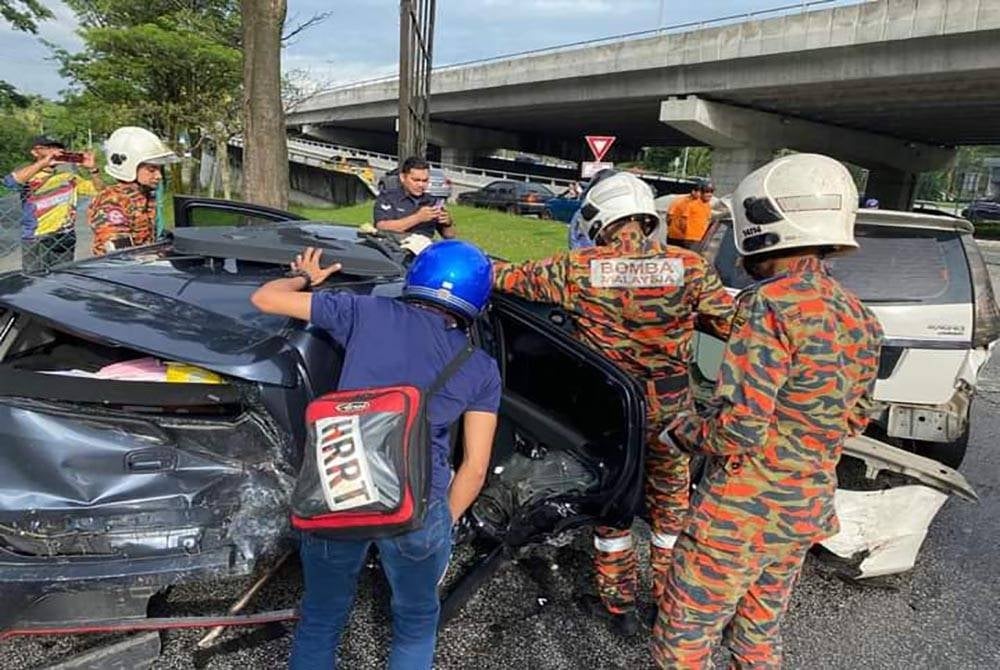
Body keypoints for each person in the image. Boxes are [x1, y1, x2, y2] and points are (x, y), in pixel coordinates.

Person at [652, 154, 883, 668]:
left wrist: (680, 431)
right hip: (804, 510)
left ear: (766, 223)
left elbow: (738, 428)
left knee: (683, 645)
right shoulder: (860, 317)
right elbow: (854, 419)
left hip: (741, 512)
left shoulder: (769, 304)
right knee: (758, 638)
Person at [492, 172, 733, 635]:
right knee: (670, 511)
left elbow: (503, 278)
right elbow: (728, 325)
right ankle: (668, 603)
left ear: (600, 218)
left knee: (615, 506)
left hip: (612, 411)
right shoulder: (692, 267)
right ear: (647, 217)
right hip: (672, 412)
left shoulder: (577, 268)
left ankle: (618, 606)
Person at [250, 240, 500, 670]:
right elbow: (474, 469)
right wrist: (441, 524)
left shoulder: (365, 313)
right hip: (419, 506)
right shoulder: (480, 367)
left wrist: (305, 277)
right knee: (417, 620)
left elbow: (265, 298)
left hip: (340, 489)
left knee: (322, 616)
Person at [3, 135, 103, 272]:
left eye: (58, 148)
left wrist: (93, 169)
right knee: (35, 280)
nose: (55, 151)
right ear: (35, 152)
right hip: (38, 237)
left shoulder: (68, 176)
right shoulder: (29, 174)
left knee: (62, 277)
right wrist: (43, 163)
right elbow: (10, 183)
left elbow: (100, 191)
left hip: (65, 235)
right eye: (49, 148)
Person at [88, 126, 179, 256]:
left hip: (140, 268)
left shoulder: (144, 196)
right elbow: (118, 252)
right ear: (129, 166)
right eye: (151, 170)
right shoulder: (112, 201)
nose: (159, 176)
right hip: (116, 271)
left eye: (160, 169)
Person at [374, 157, 455, 239]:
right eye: (416, 180)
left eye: (425, 181)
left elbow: (449, 236)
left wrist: (447, 223)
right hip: (395, 246)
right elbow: (381, 227)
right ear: (402, 178)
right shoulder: (388, 198)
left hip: (425, 248)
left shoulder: (432, 201)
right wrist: (418, 218)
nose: (421, 185)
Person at [667, 179, 714, 248]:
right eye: (706, 191)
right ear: (694, 191)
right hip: (680, 237)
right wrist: (686, 233)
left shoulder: (707, 206)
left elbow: (707, 220)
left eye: (711, 192)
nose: (709, 194)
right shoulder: (684, 202)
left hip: (699, 239)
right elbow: (671, 218)